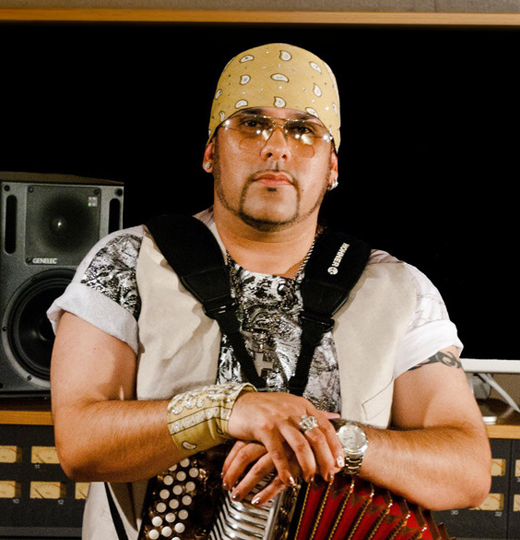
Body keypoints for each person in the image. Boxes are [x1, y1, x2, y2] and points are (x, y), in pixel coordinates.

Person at [48, 43, 491, 540]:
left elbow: (468, 471)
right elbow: (80, 444)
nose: (276, 148)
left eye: (303, 130)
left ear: (332, 167)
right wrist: (224, 411)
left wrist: (335, 440)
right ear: (211, 152)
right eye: (252, 124)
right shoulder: (126, 262)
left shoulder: (400, 289)